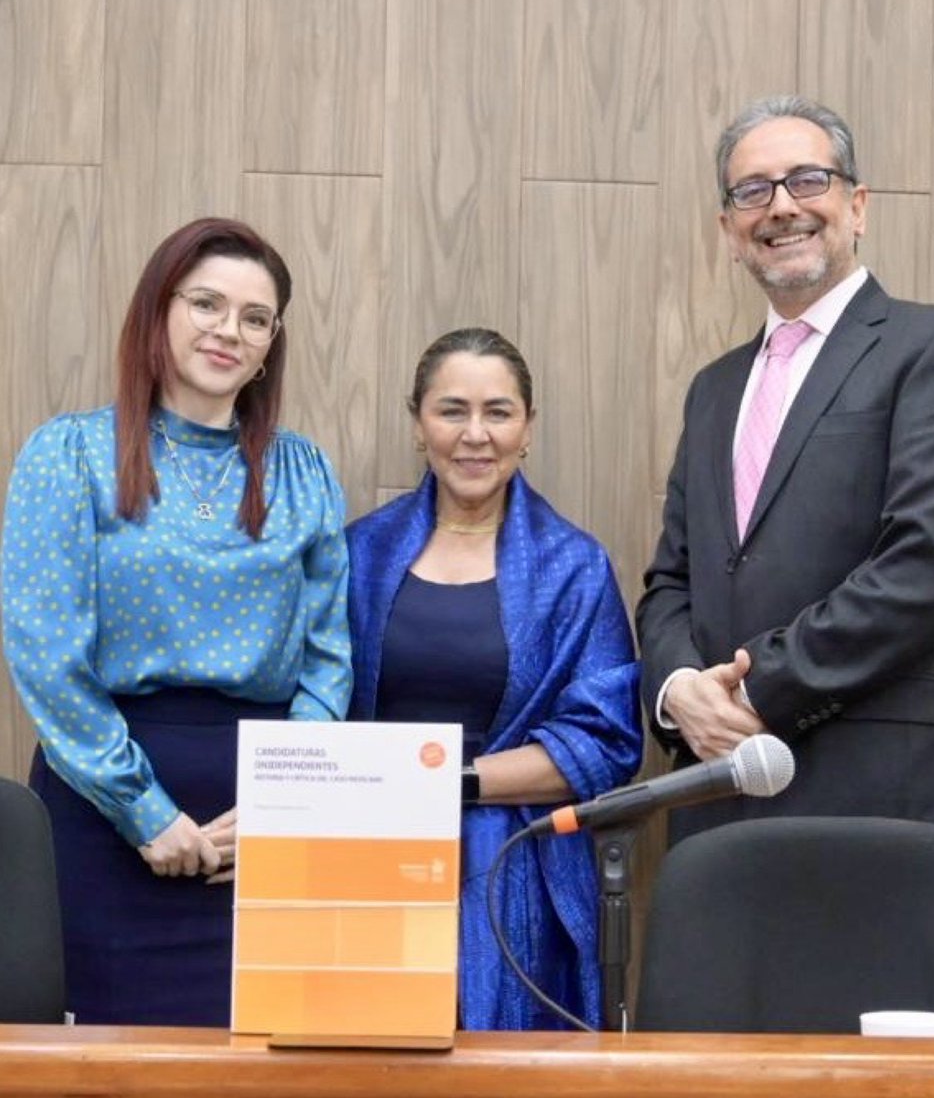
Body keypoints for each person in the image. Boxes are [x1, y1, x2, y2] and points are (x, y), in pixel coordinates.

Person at [1, 216, 352, 1026]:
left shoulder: (302, 471)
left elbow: (329, 657)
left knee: (268, 1055)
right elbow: (46, 656)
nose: (229, 331)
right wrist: (145, 811)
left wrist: (286, 803)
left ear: (271, 345)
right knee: (105, 1063)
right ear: (159, 308)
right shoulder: (70, 454)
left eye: (255, 318)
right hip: (103, 810)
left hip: (261, 821)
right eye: (205, 304)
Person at [637, 94, 934, 844]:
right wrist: (683, 691)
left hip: (877, 790)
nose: (781, 206)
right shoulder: (713, 389)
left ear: (858, 206)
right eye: (753, 191)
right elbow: (673, 581)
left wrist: (758, 690)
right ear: (730, 231)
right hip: (718, 788)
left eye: (808, 180)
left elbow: (927, 561)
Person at [347, 328, 642, 1030]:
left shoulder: (574, 566)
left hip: (514, 874)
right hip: (363, 856)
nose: (475, 435)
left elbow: (604, 745)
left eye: (498, 412)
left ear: (527, 428)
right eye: (452, 410)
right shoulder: (358, 553)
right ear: (418, 423)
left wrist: (447, 781)